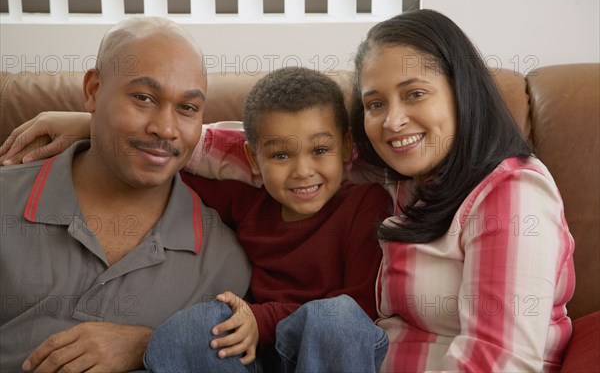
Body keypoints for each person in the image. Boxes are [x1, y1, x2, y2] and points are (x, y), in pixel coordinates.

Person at [1, 67, 392, 372]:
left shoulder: (364, 202)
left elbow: (360, 306)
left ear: (345, 147)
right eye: (281, 156)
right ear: (254, 159)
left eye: (320, 150)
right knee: (191, 327)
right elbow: (161, 164)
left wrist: (260, 317)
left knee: (335, 318)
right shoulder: (249, 204)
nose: (303, 171)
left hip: (327, 349)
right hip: (249, 353)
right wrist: (95, 127)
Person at [0, 16, 251, 372]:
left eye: (187, 108)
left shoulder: (223, 263)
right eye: (144, 98)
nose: (165, 128)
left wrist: (152, 342)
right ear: (93, 91)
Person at [346, 9, 575, 371]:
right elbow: (297, 154)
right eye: (375, 104)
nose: (392, 121)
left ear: (461, 92)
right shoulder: (403, 179)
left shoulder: (512, 193)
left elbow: (499, 362)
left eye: (415, 94)